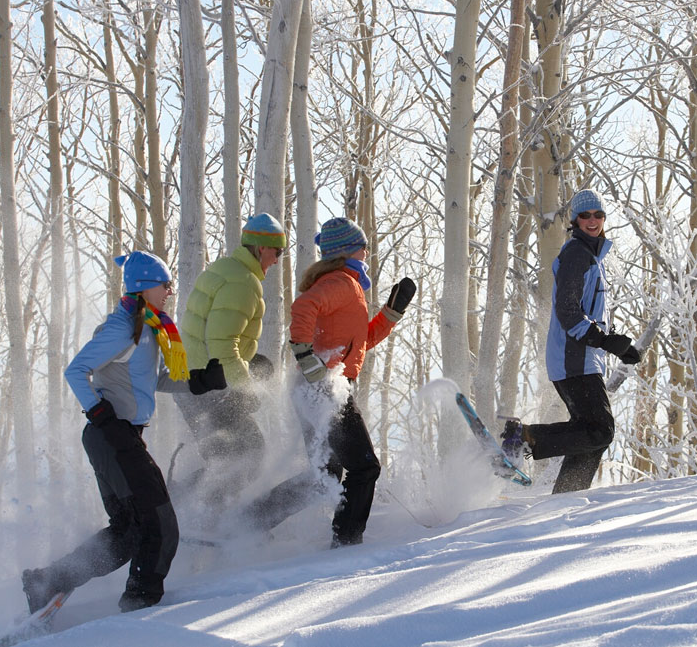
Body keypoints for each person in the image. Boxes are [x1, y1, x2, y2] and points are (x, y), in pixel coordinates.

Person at [22, 251, 227, 614]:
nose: (169, 292)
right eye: (165, 285)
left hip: (116, 437)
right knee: (159, 524)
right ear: (147, 287)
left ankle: (48, 580)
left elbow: (155, 379)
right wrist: (102, 416)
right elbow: (76, 371)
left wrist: (198, 382)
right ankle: (140, 606)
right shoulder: (122, 328)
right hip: (112, 436)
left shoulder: (148, 329)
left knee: (129, 531)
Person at [246, 217, 415, 547]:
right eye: (364, 246)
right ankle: (347, 544)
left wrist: (391, 314)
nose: (368, 251)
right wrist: (305, 355)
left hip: (315, 387)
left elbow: (360, 340)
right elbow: (303, 307)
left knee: (323, 477)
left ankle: (250, 520)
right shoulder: (341, 283)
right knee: (365, 468)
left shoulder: (343, 284)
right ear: (350, 251)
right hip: (323, 388)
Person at [501, 190, 641, 494]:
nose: (592, 221)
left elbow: (586, 312)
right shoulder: (577, 253)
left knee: (589, 434)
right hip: (573, 358)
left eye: (598, 215)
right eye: (585, 215)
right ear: (574, 220)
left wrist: (617, 345)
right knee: (600, 430)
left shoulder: (590, 256)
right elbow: (568, 310)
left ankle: (567, 498)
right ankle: (523, 436)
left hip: (581, 358)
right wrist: (605, 341)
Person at [172, 213, 286, 512]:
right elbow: (223, 345)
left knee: (226, 456)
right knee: (248, 453)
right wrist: (244, 390)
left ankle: (178, 506)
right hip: (210, 385)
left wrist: (249, 361)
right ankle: (199, 517)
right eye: (278, 252)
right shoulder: (243, 282)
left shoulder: (225, 269)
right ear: (261, 248)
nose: (277, 260)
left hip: (193, 383)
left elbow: (216, 333)